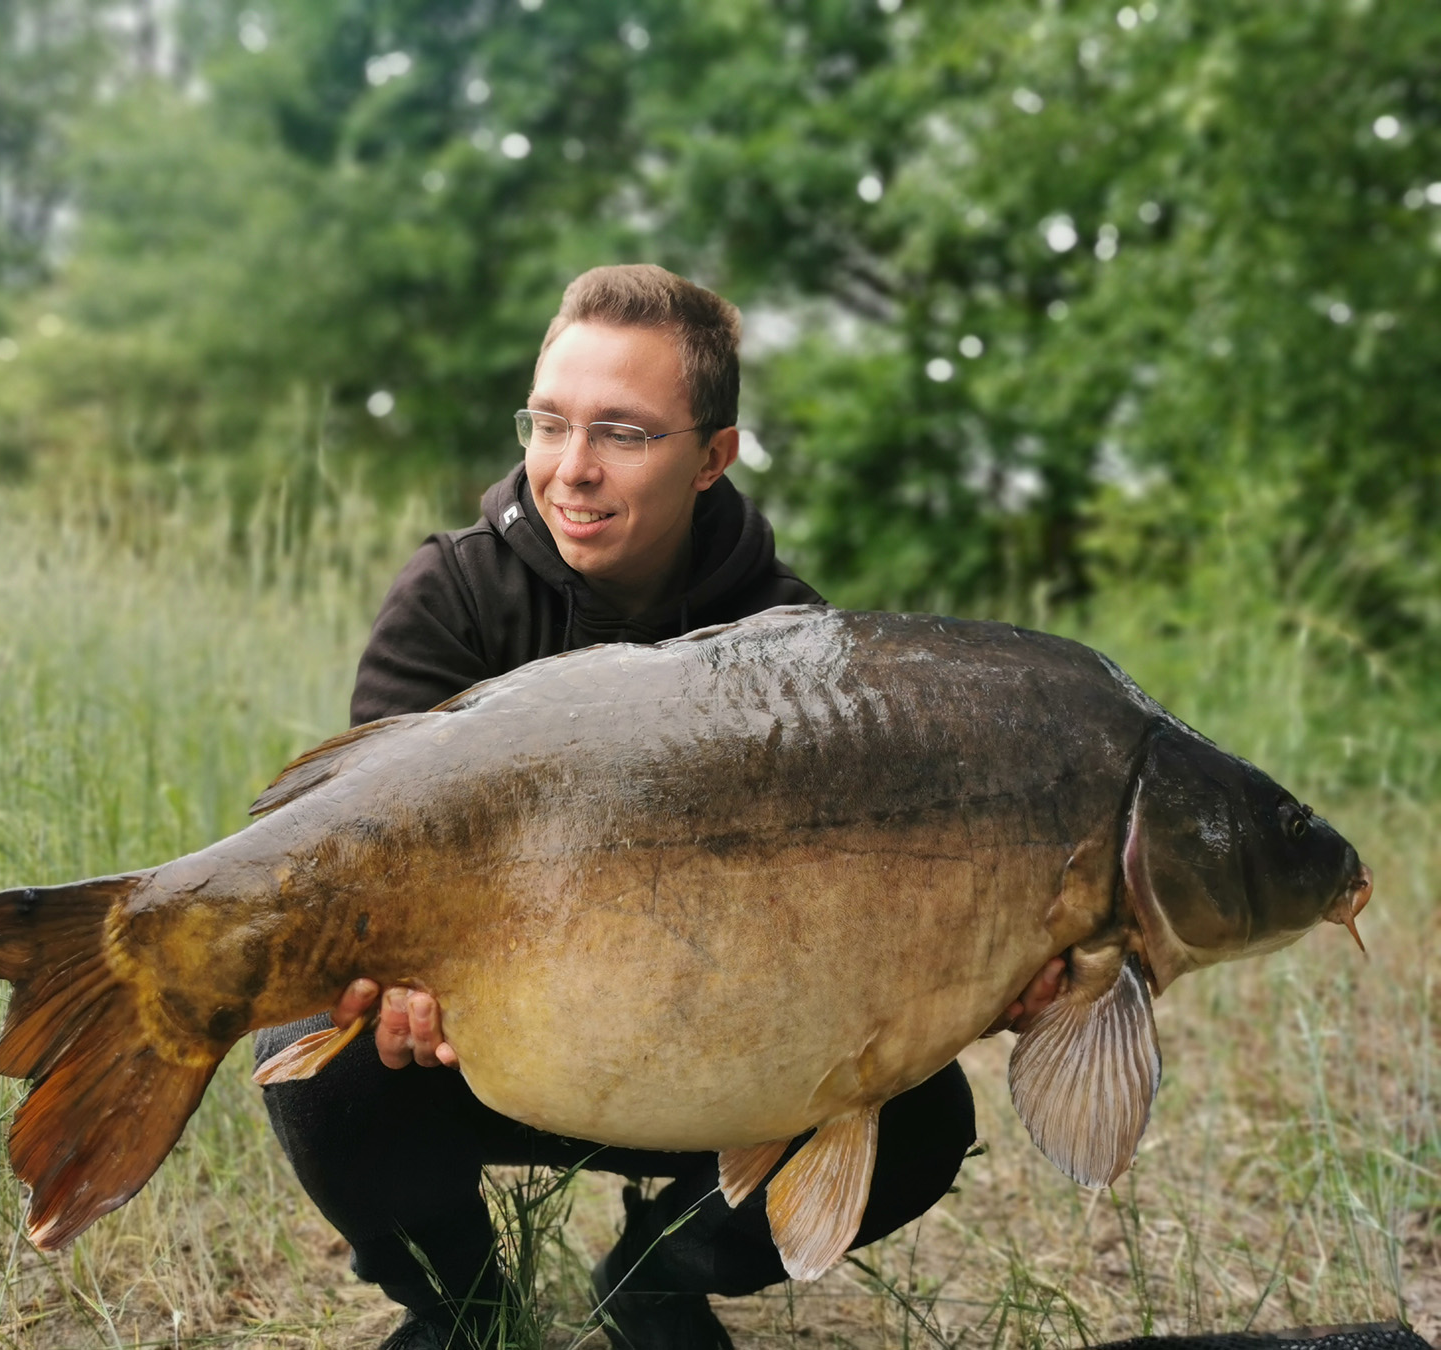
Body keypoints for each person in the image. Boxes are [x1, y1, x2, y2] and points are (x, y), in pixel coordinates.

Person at [253, 265, 1064, 1350]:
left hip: (714, 1060)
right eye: (549, 424)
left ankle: (654, 1277)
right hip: (491, 1041)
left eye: (623, 435)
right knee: (319, 1053)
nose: (571, 470)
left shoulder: (802, 653)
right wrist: (392, 979)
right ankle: (463, 1306)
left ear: (713, 457)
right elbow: (369, 857)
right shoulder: (450, 599)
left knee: (922, 1122)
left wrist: (997, 964)